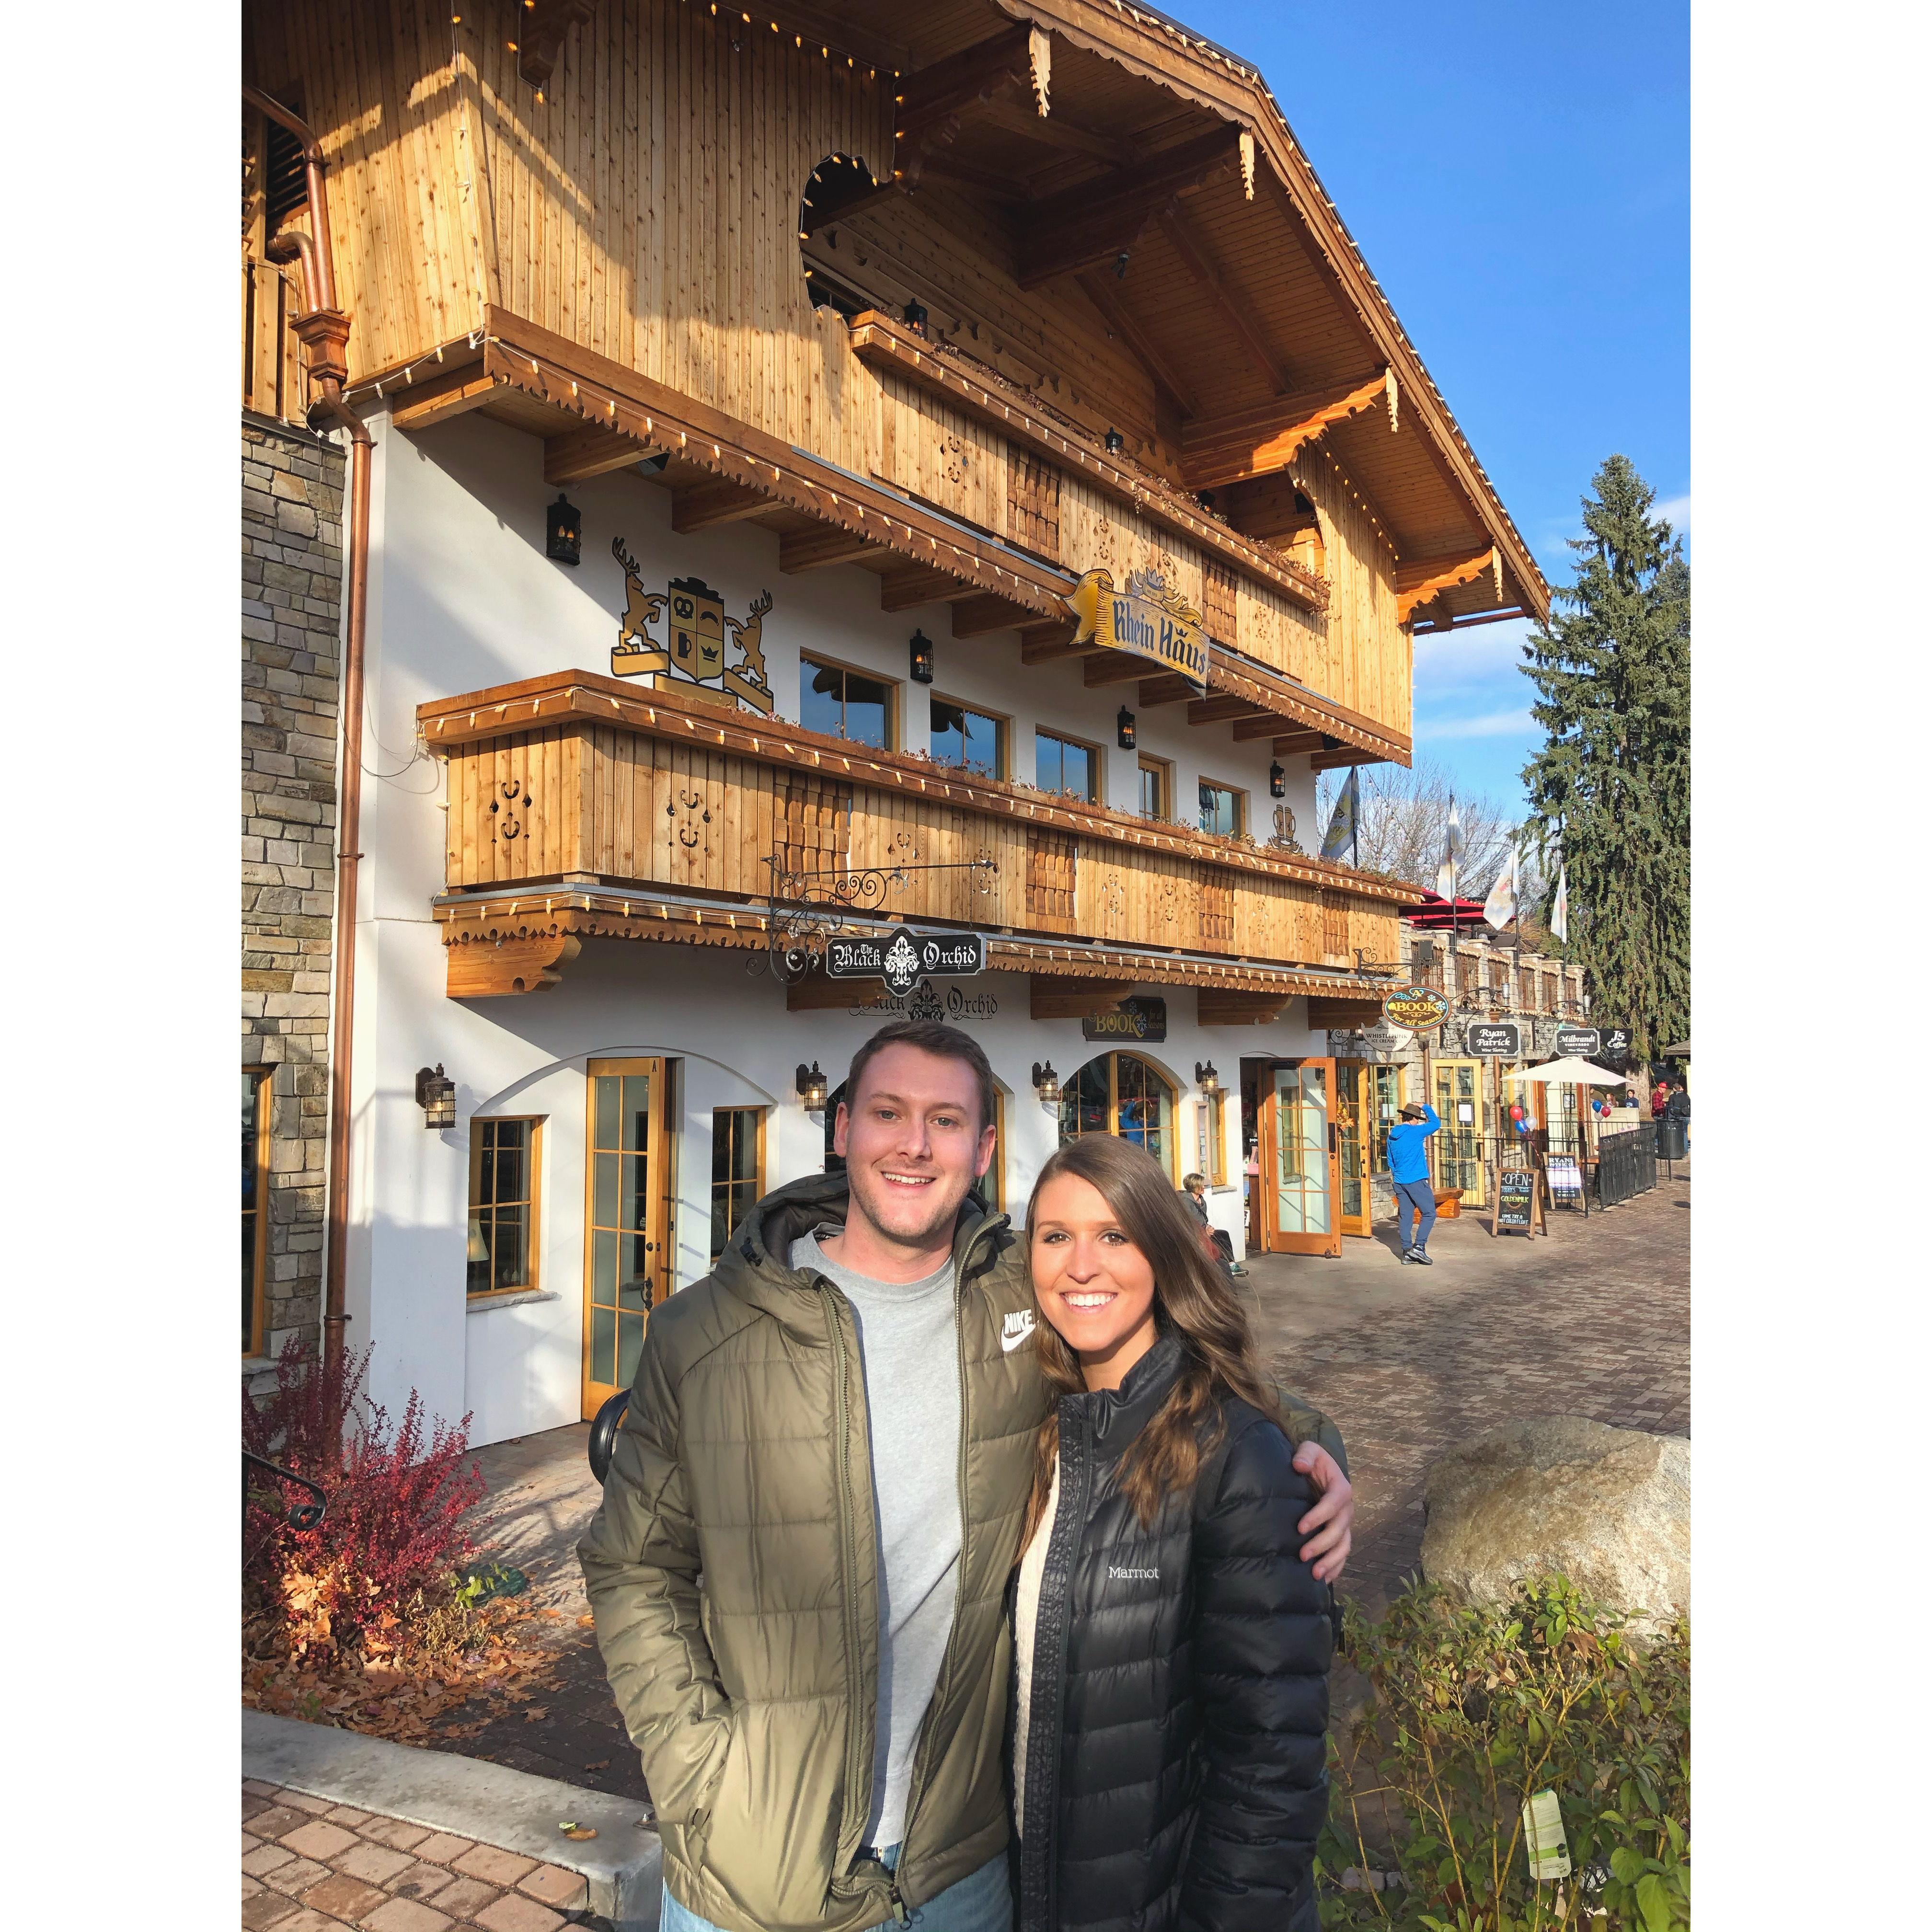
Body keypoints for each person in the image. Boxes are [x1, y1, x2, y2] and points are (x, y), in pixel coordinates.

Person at [579, 1020, 1354, 1932]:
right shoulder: (702, 1333)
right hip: (749, 1878)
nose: (914, 1144)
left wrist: (1312, 1451)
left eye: (945, 1121)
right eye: (888, 1113)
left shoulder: (1022, 1299)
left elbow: (1175, 1374)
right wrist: (698, 1773)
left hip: (960, 1876)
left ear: (982, 1149)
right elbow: (633, 1566)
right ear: (842, 1128)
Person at [1012, 1136, 1334, 1932]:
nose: (1080, 1265)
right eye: (1055, 1236)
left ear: (1162, 1252)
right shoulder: (1039, 1432)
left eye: (1113, 1235)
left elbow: (1271, 1766)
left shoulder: (1239, 1454)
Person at [1387, 1099, 1441, 1265]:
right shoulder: (1415, 1131)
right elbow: (1436, 1124)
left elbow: (1390, 1161)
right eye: (1418, 1119)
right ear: (1414, 1118)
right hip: (1415, 1180)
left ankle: (1406, 1252)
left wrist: (1398, 1175)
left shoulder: (1392, 1135)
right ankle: (1419, 1247)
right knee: (1430, 1213)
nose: (1418, 1122)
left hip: (1399, 1181)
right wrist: (1424, 1106)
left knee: (1406, 1216)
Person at [1180, 1171, 1247, 1276]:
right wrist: (1204, 1230)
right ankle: (1229, 1266)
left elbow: (1203, 1219)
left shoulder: (1201, 1200)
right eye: (1201, 1185)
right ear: (1194, 1186)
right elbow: (1191, 1222)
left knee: (1223, 1234)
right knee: (1218, 1239)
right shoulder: (1186, 1202)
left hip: (1204, 1230)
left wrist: (1208, 1227)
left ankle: (1231, 1264)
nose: (1204, 1187)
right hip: (1195, 1234)